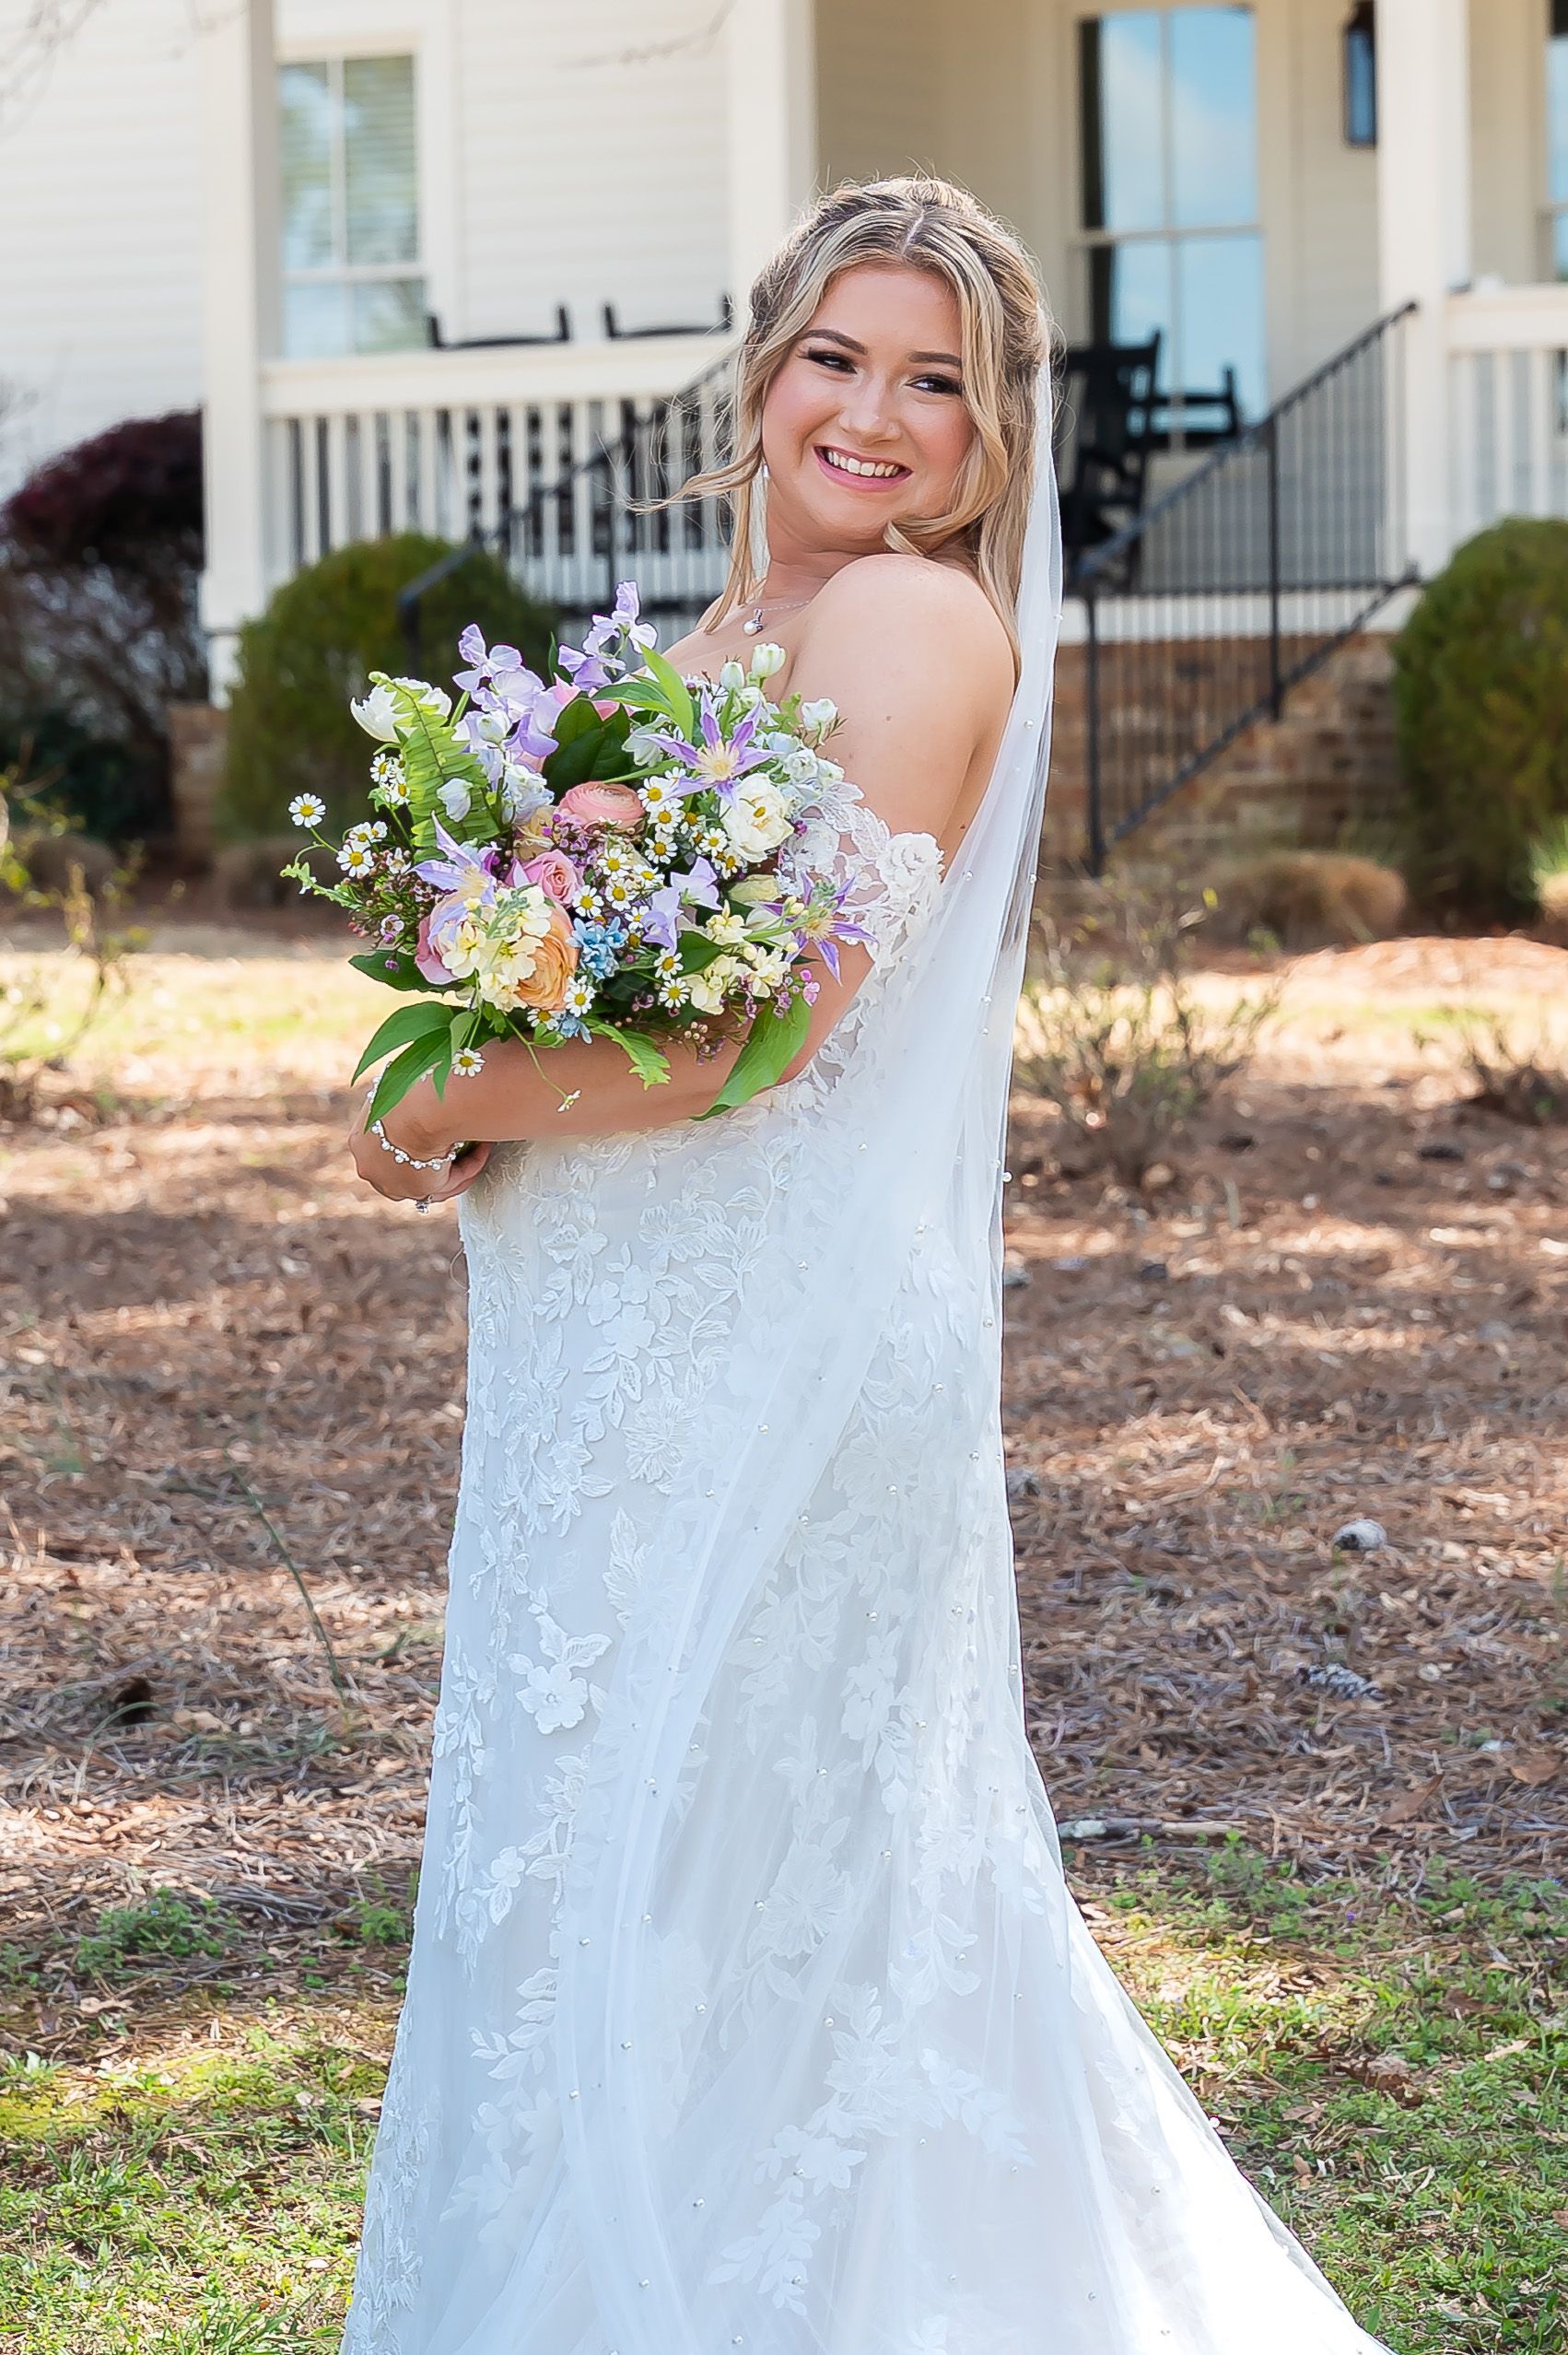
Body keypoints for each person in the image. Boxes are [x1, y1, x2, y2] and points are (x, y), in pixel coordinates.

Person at [342, 177, 1391, 2355]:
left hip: (770, 1350)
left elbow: (756, 1034)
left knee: (740, 1881)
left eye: (937, 383)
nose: (874, 414)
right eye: (838, 355)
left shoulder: (906, 628)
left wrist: (445, 1103)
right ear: (762, 367)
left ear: (990, 446)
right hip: (625, 1339)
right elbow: (624, 1001)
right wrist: (483, 1053)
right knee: (629, 1868)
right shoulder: (708, 645)